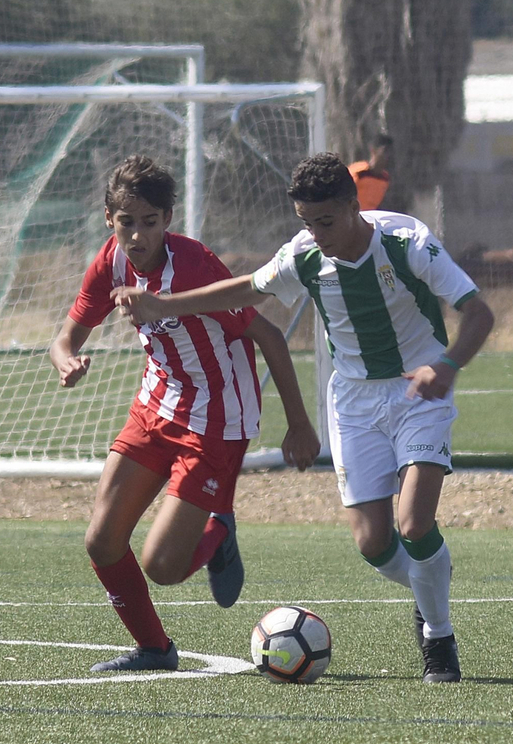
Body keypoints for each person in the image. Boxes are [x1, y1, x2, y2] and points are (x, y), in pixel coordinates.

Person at [113, 152, 495, 683]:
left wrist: (448, 366)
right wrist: (163, 305)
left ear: (352, 207)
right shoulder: (305, 254)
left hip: (418, 393)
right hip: (355, 403)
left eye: (326, 222)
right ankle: (431, 581)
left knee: (414, 523)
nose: (316, 234)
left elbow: (479, 313)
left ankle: (438, 637)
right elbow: (248, 289)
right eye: (306, 223)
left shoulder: (408, 243)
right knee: (374, 544)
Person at [49, 156, 320, 673]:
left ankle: (219, 529)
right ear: (110, 218)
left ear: (167, 219)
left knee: (163, 567)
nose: (137, 235)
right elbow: (64, 338)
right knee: (102, 541)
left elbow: (268, 337)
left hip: (218, 417)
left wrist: (299, 424)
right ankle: (155, 650)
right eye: (127, 222)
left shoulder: (193, 265)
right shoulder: (110, 260)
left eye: (149, 222)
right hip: (156, 403)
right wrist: (67, 361)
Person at [348, 133, 393, 211]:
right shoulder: (358, 173)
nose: (388, 156)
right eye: (385, 151)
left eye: (390, 152)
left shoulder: (385, 179)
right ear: (373, 150)